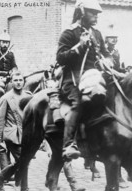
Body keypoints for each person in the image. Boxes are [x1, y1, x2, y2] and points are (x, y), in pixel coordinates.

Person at [56, 0, 109, 159]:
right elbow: (60, 58)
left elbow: (106, 54)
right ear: (82, 12)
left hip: (94, 77)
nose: (96, 16)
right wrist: (79, 45)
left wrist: (107, 61)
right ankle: (69, 144)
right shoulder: (69, 32)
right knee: (78, 102)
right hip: (73, 78)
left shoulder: (97, 34)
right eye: (92, 12)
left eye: (97, 13)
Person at [0, 72, 34, 191]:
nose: (18, 82)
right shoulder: (6, 98)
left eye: (21, 80)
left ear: (24, 81)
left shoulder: (29, 96)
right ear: (12, 82)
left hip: (27, 134)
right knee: (24, 162)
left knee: (21, 162)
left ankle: (2, 175)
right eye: (15, 80)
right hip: (12, 135)